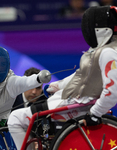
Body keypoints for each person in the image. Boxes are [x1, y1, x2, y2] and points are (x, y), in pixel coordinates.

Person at [8, 5, 117, 150]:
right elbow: (80, 76)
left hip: (76, 106)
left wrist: (95, 114)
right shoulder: (101, 51)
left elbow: (113, 89)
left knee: (15, 118)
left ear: (100, 30)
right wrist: (58, 85)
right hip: (74, 101)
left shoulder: (107, 53)